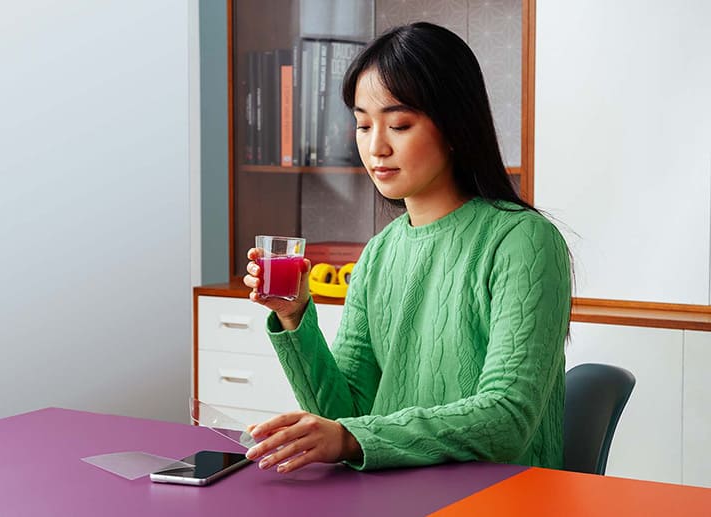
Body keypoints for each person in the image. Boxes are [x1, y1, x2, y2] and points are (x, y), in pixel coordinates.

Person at [242, 21, 571, 474]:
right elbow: (347, 416)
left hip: (500, 497)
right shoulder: (379, 253)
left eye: (398, 124)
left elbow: (507, 419)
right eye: (362, 125)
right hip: (394, 493)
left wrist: (353, 437)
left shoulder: (523, 241)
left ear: (454, 125)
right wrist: (294, 315)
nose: (376, 146)